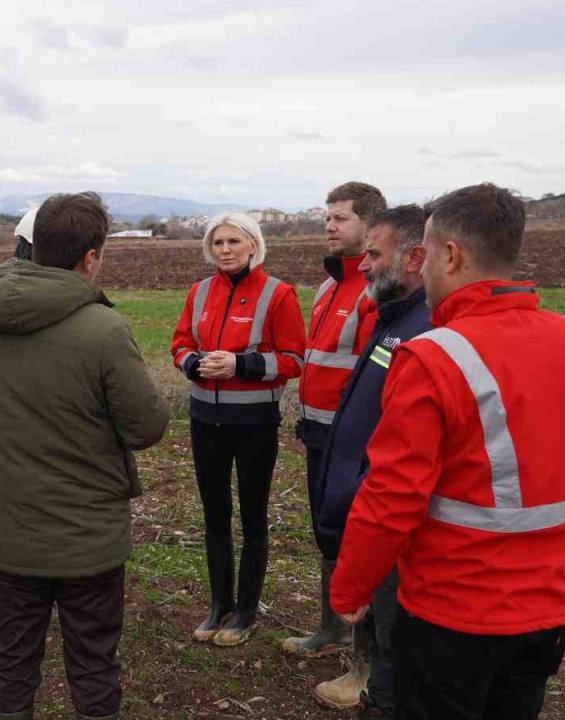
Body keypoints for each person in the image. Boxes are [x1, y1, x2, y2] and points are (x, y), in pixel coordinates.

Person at [330, 184, 565, 720]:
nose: (421, 270)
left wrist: (351, 586)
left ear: (451, 256)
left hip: (450, 613)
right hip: (548, 610)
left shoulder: (431, 357)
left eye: (426, 254)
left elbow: (392, 495)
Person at [0, 191, 169, 720]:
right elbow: (146, 426)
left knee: (12, 658)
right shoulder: (102, 329)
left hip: (8, 530)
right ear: (90, 257)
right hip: (85, 538)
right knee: (93, 663)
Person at [305, 205, 433, 716]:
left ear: (414, 258)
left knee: (390, 603)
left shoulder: (419, 328)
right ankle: (371, 671)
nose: (366, 265)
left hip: (379, 496)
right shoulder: (392, 317)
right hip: (347, 472)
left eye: (375, 255)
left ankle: (375, 679)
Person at [171, 212, 307, 647]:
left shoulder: (278, 294)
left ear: (253, 245)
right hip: (204, 421)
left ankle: (245, 611)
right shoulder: (199, 292)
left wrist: (239, 364)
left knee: (252, 518)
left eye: (233, 241)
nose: (225, 250)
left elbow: (295, 360)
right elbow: (179, 344)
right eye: (217, 243)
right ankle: (218, 605)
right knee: (214, 516)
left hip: (254, 424)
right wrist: (193, 363)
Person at [284, 181, 388, 660]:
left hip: (356, 442)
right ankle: (333, 630)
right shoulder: (329, 286)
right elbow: (320, 364)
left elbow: (372, 380)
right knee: (327, 531)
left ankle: (366, 659)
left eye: (341, 217)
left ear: (369, 225)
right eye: (327, 216)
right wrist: (307, 425)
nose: (329, 225)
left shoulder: (375, 290)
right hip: (321, 432)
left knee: (359, 541)